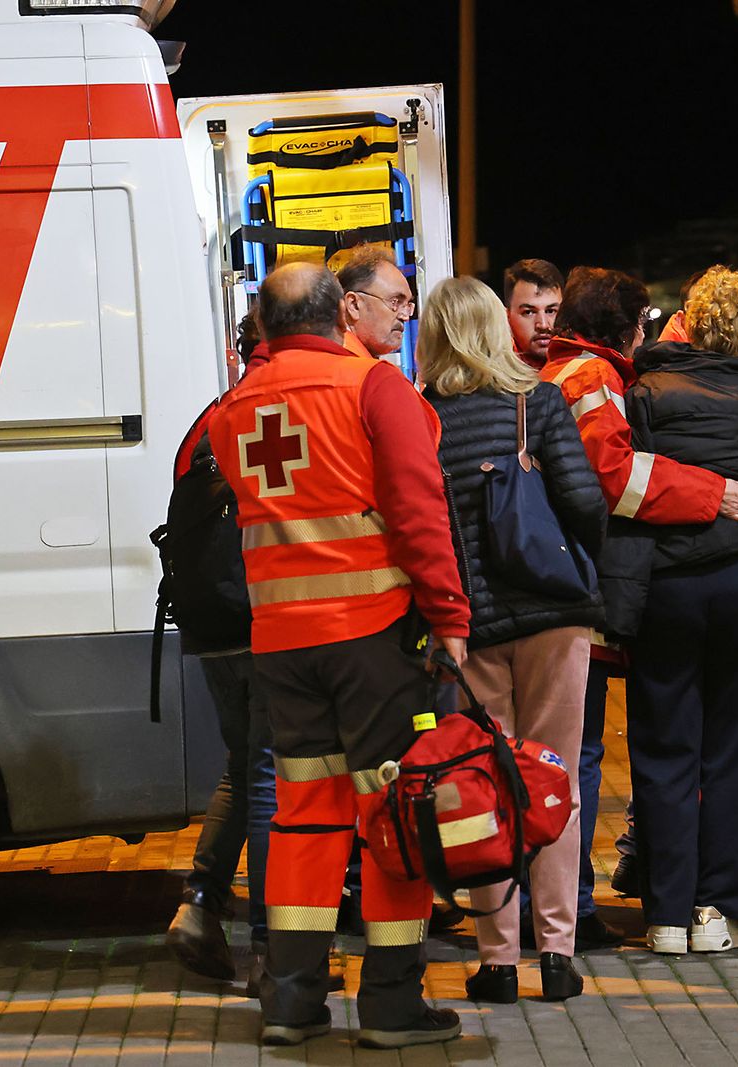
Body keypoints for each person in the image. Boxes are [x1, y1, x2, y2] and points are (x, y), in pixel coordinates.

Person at [207, 262, 469, 1049]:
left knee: (302, 818)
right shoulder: (372, 389)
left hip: (282, 645)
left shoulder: (234, 408)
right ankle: (391, 1004)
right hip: (372, 635)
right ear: (336, 315)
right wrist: (450, 614)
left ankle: (291, 999)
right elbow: (419, 508)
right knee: (393, 806)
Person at [537, 266, 738, 949]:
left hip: (563, 588)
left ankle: (568, 907)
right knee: (577, 760)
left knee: (575, 756)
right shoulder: (590, 380)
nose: (645, 335)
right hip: (576, 592)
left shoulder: (564, 374)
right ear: (617, 325)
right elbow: (618, 477)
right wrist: (712, 492)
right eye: (638, 323)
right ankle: (568, 912)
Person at [418, 277, 607, 1003]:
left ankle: (497, 959)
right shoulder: (540, 401)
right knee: (552, 775)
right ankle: (556, 955)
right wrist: (579, 564)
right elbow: (586, 500)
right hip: (555, 619)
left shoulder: (424, 417)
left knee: (484, 789)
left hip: (471, 630)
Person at [616, 267, 738, 954]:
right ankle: (720, 911)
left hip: (672, 582)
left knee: (666, 746)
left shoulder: (648, 393)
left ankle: (665, 914)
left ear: (689, 320)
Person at [165, 311, 275, 983]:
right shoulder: (276, 404)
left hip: (208, 622)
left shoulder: (210, 415)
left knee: (243, 765)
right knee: (269, 780)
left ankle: (200, 904)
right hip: (263, 620)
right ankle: (273, 946)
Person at [337, 245, 414, 360]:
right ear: (354, 305)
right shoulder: (353, 369)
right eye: (395, 302)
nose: (405, 317)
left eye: (407, 305)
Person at [502, 258, 564, 370]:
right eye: (529, 312)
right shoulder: (491, 376)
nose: (543, 325)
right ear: (507, 316)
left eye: (551, 311)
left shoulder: (584, 370)